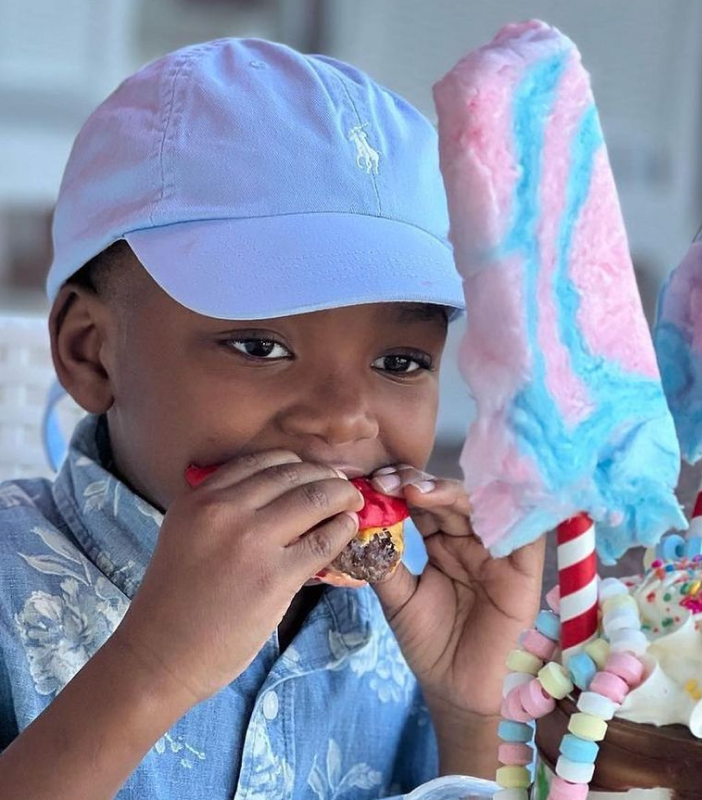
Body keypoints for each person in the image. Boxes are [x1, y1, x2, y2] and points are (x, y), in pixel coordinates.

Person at [0, 39, 537, 800]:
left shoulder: (415, 614)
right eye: (259, 345)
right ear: (90, 352)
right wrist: (154, 669)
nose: (345, 416)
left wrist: (468, 710)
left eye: (399, 363)